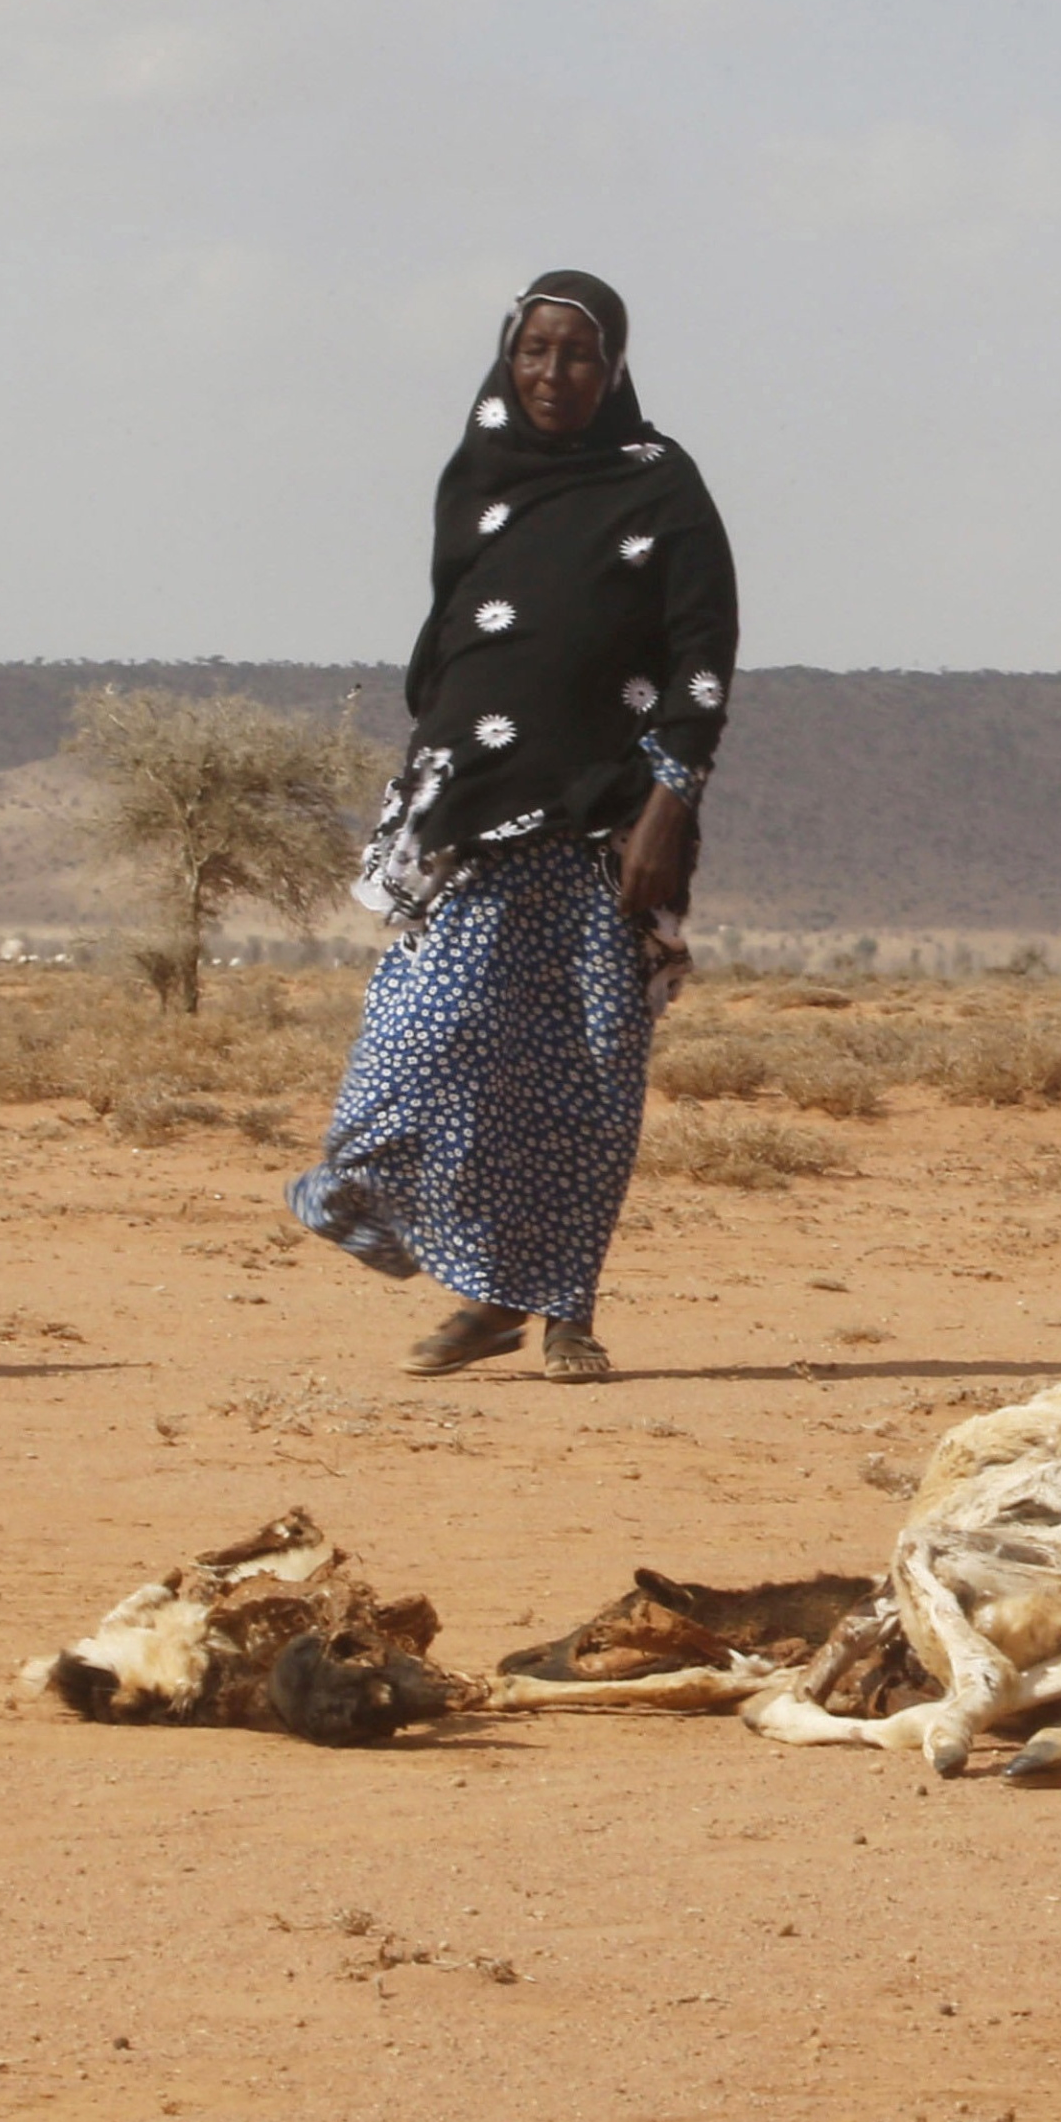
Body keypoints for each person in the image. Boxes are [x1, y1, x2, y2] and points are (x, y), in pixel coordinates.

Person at [287, 268, 737, 1381]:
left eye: (577, 354)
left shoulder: (660, 483)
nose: (552, 373)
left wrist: (667, 804)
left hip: (608, 825)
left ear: (615, 366)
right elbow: (453, 630)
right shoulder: (477, 473)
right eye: (533, 350)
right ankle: (469, 1268)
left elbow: (702, 651)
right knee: (421, 1046)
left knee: (583, 1069)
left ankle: (552, 1307)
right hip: (473, 816)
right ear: (507, 354)